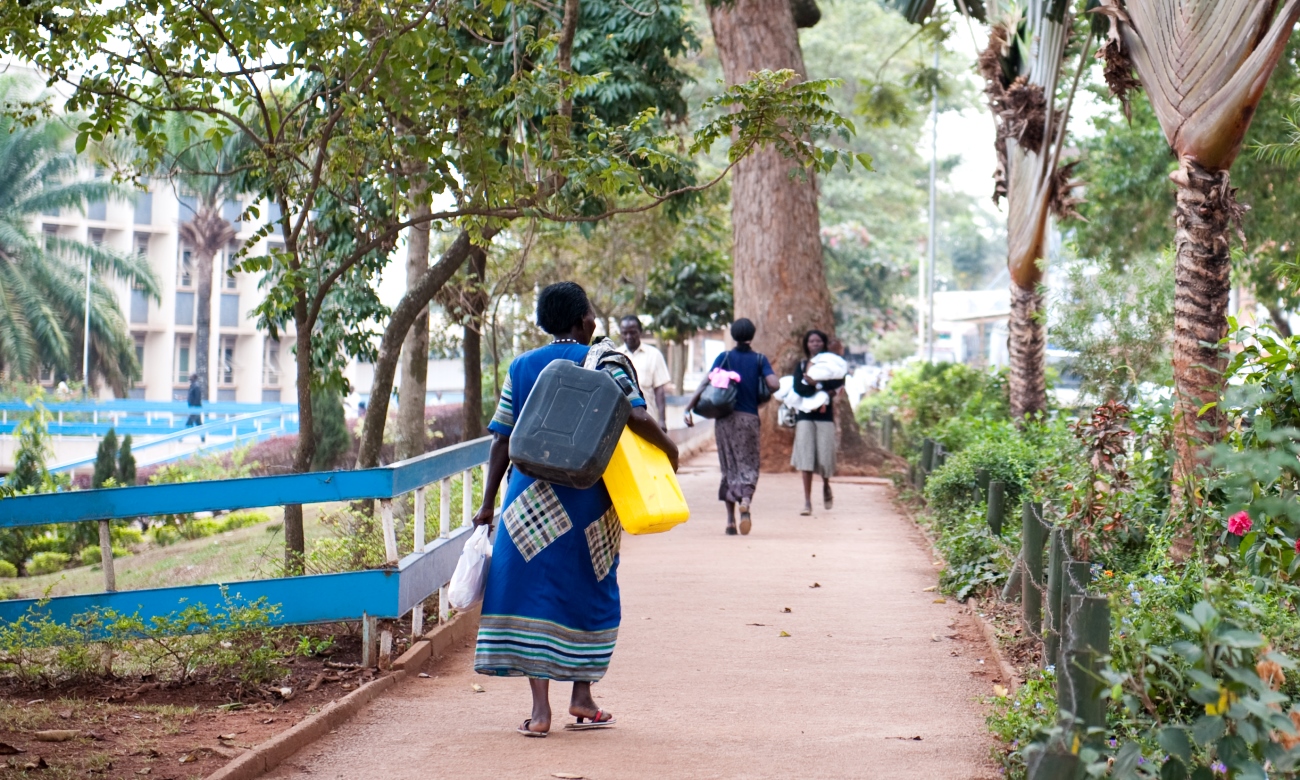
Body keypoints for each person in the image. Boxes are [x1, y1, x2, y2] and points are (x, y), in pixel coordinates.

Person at [470, 281, 679, 738]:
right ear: (582, 319)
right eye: (590, 313)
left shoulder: (523, 365)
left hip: (526, 501)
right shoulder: (605, 360)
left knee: (529, 593)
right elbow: (637, 416)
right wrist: (670, 449)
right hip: (588, 499)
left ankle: (541, 712)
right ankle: (582, 699)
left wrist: (488, 505)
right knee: (590, 588)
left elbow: (502, 439)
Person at [683, 318, 777, 535]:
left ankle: (730, 522)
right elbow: (774, 384)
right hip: (748, 419)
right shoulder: (760, 360)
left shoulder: (724, 357)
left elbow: (705, 384)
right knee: (749, 465)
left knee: (729, 467)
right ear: (752, 335)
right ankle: (745, 501)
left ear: (733, 336)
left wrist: (688, 409)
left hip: (725, 420)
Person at [792, 330, 844, 515]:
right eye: (811, 341)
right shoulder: (801, 365)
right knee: (805, 457)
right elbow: (799, 389)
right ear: (806, 344)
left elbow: (837, 385)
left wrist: (816, 385)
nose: (815, 344)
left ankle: (826, 484)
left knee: (825, 456)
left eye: (818, 341)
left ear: (824, 344)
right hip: (805, 416)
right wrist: (821, 390)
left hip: (825, 417)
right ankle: (807, 502)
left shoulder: (833, 365)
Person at [617, 315, 672, 431]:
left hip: (648, 420)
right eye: (625, 333)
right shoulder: (615, 356)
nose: (629, 336)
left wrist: (662, 420)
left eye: (633, 332)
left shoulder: (654, 355)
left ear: (640, 332)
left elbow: (659, 391)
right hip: (623, 423)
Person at [185, 373, 205, 443]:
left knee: (189, 423)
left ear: (194, 378)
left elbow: (197, 398)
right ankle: (203, 438)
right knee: (199, 424)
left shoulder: (196, 387)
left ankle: (181, 437)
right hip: (194, 408)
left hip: (195, 408)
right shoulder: (193, 386)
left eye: (191, 377)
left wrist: (194, 408)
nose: (189, 378)